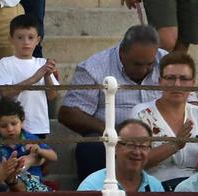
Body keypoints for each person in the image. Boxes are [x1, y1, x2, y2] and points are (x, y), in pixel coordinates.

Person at [59, 23, 163, 180]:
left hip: (163, 136)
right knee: (90, 147)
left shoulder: (168, 62)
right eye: (137, 64)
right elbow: (68, 113)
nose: (143, 70)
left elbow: (191, 106)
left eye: (149, 64)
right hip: (113, 142)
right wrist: (113, 132)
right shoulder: (94, 67)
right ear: (122, 52)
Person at [132, 51, 198, 187]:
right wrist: (174, 145)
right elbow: (135, 162)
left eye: (184, 79)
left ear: (193, 83)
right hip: (156, 188)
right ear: (160, 82)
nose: (177, 84)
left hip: (196, 189)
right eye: (170, 78)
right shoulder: (141, 114)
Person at [75, 117, 164, 192]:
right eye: (130, 145)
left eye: (143, 146)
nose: (137, 152)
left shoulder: (155, 187)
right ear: (115, 147)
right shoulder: (92, 186)